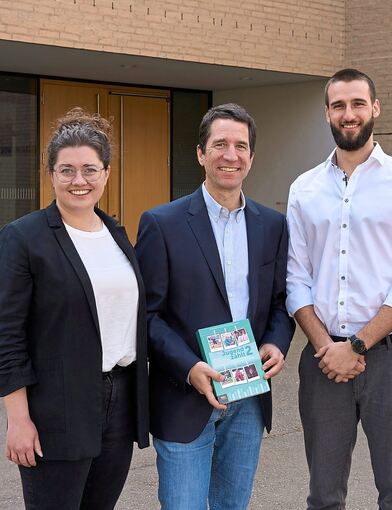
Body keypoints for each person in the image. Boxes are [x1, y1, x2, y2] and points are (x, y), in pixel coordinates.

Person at [286, 68, 392, 510]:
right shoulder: (304, 189)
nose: (348, 114)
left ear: (375, 108)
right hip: (322, 360)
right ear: (327, 113)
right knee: (324, 494)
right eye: (338, 105)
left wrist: (356, 345)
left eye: (357, 104)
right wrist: (327, 347)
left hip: (391, 360)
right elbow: (297, 278)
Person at [136, 103, 294, 510]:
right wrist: (189, 367)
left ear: (252, 158)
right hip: (184, 396)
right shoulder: (162, 223)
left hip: (247, 398)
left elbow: (280, 302)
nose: (231, 155)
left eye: (240, 146)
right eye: (220, 144)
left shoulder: (271, 225)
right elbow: (147, 316)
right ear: (201, 154)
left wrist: (277, 344)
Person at [0, 108, 149, 510]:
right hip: (55, 407)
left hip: (119, 401)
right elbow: (7, 335)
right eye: (66, 170)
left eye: (89, 169)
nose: (78, 181)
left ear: (106, 172)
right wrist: (18, 420)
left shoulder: (116, 233)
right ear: (50, 173)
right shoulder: (23, 237)